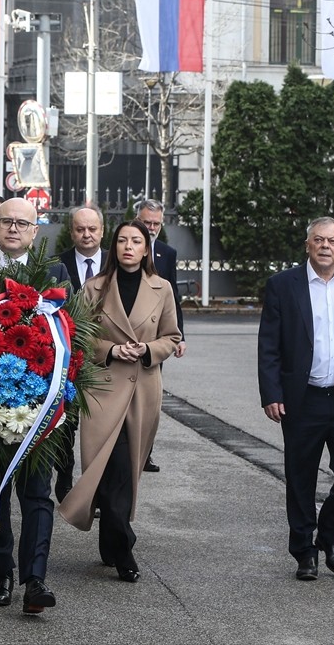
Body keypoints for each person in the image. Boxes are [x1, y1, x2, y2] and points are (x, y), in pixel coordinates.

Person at [257, 216, 334, 581]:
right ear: (307, 245)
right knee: (300, 479)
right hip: (301, 400)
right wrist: (271, 393)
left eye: (332, 241)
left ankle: (329, 533)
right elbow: (269, 347)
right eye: (318, 240)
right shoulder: (283, 285)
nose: (325, 246)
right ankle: (304, 552)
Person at [59, 220, 181, 583]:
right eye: (123, 240)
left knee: (127, 468)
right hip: (103, 389)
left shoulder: (162, 288)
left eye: (137, 241)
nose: (129, 246)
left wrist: (147, 349)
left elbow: (172, 337)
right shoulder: (94, 288)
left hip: (143, 389)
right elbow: (78, 336)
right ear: (114, 248)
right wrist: (112, 348)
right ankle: (124, 546)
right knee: (109, 469)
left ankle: (112, 541)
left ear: (147, 249)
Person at [0, 196, 70, 613]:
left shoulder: (56, 273)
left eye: (22, 223)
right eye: (6, 221)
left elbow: (72, 336)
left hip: (38, 407)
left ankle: (35, 580)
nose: (13, 229)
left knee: (37, 495)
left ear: (35, 231)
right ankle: (3, 575)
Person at [54, 205, 105, 500]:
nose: (86, 235)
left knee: (100, 426)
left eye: (92, 229)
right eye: (80, 229)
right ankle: (64, 478)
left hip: (109, 358)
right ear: (71, 231)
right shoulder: (56, 264)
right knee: (67, 424)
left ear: (102, 230)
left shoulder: (117, 263)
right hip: (70, 356)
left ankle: (97, 485)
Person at [135, 199, 186, 473]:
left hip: (156, 340)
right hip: (128, 333)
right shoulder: (124, 247)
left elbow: (174, 297)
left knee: (152, 397)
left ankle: (145, 455)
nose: (151, 228)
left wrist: (180, 336)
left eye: (156, 223)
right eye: (146, 222)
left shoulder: (167, 253)